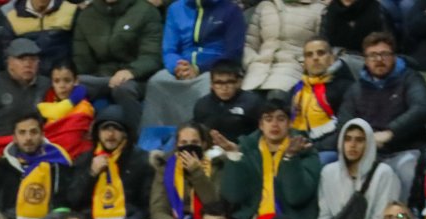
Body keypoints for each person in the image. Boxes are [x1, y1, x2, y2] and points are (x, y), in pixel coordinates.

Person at [219, 101, 321, 219]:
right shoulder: (247, 150)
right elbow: (233, 196)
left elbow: (296, 197)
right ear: (261, 125)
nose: (274, 124)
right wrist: (233, 155)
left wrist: (290, 158)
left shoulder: (306, 151)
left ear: (289, 123)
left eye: (280, 119)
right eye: (268, 119)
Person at [64, 105, 154, 219]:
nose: (110, 134)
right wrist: (91, 174)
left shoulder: (140, 160)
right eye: (106, 129)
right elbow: (73, 200)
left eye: (116, 129)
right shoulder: (86, 159)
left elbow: (147, 205)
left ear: (125, 133)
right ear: (98, 133)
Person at [141, 0, 247, 128]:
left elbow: (233, 52)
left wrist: (198, 68)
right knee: (157, 82)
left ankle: (202, 137)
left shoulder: (231, 10)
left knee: (210, 85)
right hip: (182, 67)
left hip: (213, 68)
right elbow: (169, 49)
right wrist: (177, 67)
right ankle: (154, 139)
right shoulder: (175, 9)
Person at [337, 31, 426, 165]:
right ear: (365, 59)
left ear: (394, 56)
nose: (379, 60)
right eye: (373, 55)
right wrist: (365, 140)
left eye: (384, 54)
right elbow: (344, 124)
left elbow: (422, 108)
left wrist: (390, 132)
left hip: (407, 149)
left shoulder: (410, 78)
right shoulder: (356, 89)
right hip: (368, 150)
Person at [317, 119, 402, 219]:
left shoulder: (384, 173)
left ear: (368, 143)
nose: (352, 145)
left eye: (359, 140)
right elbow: (324, 216)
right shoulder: (328, 172)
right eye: (348, 139)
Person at [70, 0, 161, 127]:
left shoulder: (146, 11)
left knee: (122, 88)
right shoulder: (87, 15)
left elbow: (152, 56)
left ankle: (134, 139)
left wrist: (131, 71)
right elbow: (82, 60)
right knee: (73, 84)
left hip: (137, 78)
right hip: (101, 79)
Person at [0, 39, 51, 156]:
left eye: (33, 59)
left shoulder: (46, 85)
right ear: (9, 62)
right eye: (22, 59)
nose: (28, 64)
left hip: (35, 148)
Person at [0, 112, 72, 219]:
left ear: (42, 135)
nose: (28, 138)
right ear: (14, 138)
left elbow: (61, 209)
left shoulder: (56, 162)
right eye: (22, 132)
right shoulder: (3, 165)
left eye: (33, 132)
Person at [148, 122, 224, 219]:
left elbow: (214, 204)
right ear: (177, 145)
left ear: (203, 144)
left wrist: (197, 172)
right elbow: (158, 208)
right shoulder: (165, 168)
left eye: (194, 142)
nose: (189, 147)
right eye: (184, 143)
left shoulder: (215, 165)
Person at [241, 2, 324, 99]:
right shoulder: (266, 5)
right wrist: (252, 62)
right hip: (258, 69)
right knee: (245, 102)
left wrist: (303, 64)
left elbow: (321, 48)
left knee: (276, 97)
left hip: (293, 68)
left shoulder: (318, 9)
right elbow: (249, 45)